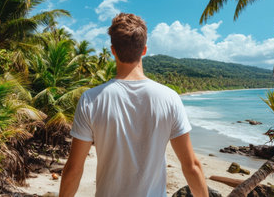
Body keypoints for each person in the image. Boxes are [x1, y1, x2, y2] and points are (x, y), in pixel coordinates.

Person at [59, 13, 208, 197]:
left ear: (113, 50)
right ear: (144, 50)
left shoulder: (91, 99)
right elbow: (191, 166)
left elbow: (74, 169)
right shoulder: (169, 98)